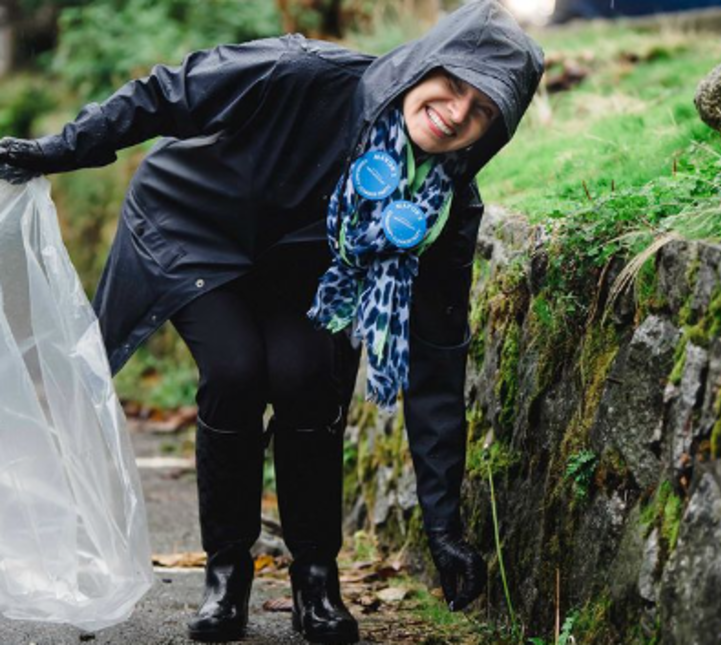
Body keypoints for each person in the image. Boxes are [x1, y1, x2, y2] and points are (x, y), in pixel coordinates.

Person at [0, 0, 543, 642]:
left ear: (496, 131)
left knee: (308, 377)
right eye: (453, 86)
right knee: (234, 371)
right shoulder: (300, 71)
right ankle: (226, 577)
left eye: (482, 110)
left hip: (301, 272)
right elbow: (164, 95)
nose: (457, 114)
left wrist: (444, 525)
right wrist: (61, 150)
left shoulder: (440, 212)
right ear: (423, 66)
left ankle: (316, 579)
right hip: (196, 226)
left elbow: (436, 353)